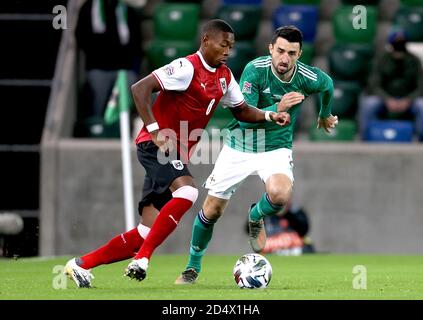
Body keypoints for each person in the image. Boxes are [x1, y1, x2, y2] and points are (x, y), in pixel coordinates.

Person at [64, 19, 291, 288]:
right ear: (206, 40)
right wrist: (155, 130)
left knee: (144, 232)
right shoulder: (186, 67)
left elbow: (241, 110)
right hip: (155, 145)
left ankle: (79, 265)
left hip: (174, 155)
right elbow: (139, 89)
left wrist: (268, 114)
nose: (228, 50)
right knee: (188, 192)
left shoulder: (224, 77)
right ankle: (143, 260)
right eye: (223, 44)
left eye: (231, 46)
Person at [174, 25, 338, 284]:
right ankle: (192, 268)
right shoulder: (254, 70)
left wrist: (325, 114)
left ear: (300, 54)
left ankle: (256, 216)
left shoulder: (307, 76)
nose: (285, 58)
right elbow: (246, 119)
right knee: (212, 210)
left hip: (276, 147)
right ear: (271, 48)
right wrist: (278, 106)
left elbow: (327, 84)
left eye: (292, 53)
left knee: (281, 194)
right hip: (241, 144)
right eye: (281, 51)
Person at [75, 0, 142, 121]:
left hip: (124, 68)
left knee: (124, 104)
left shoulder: (128, 11)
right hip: (98, 67)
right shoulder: (88, 8)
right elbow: (80, 36)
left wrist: (133, 67)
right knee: (97, 102)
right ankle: (97, 128)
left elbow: (137, 42)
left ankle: (120, 130)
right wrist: (96, 52)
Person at [359, 28, 423, 141]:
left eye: (402, 42)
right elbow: (374, 85)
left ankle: (420, 138)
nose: (399, 45)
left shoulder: (414, 61)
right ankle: (366, 137)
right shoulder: (382, 60)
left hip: (408, 100)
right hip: (385, 100)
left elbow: (420, 86)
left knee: (421, 105)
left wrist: (408, 100)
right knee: (369, 104)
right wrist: (387, 99)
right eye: (397, 43)